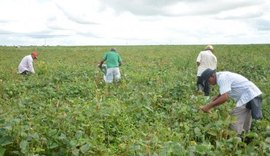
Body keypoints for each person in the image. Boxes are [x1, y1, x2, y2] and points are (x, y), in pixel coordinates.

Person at [200, 68, 263, 135]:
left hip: (248, 96)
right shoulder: (222, 75)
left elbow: (225, 97)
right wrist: (218, 96)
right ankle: (245, 136)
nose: (208, 83)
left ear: (212, 75)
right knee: (246, 118)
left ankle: (234, 138)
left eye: (208, 80)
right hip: (253, 93)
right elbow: (226, 90)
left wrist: (208, 107)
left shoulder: (222, 78)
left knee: (234, 118)